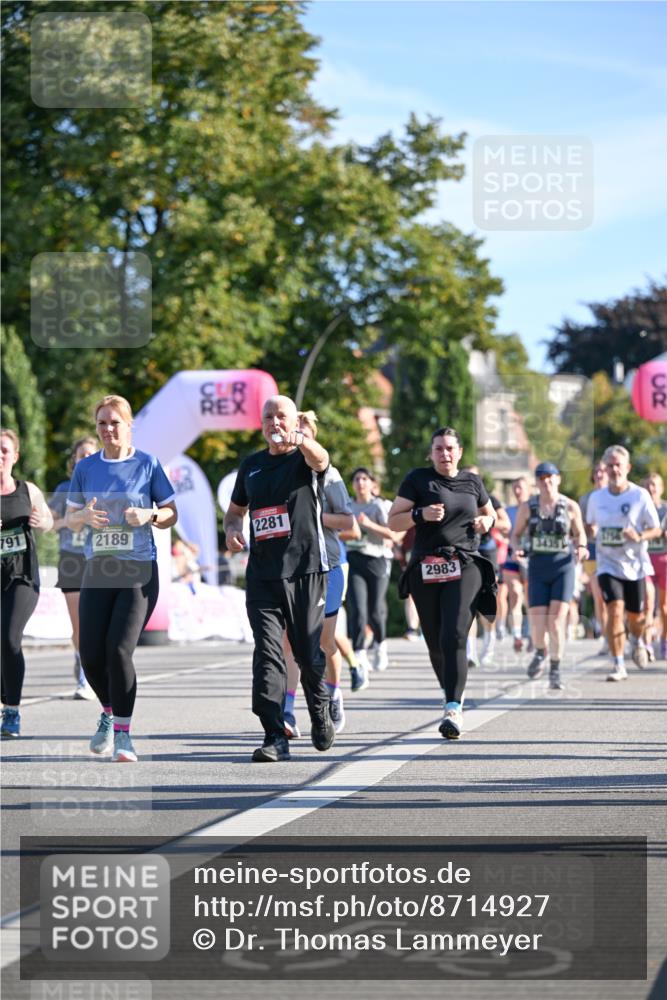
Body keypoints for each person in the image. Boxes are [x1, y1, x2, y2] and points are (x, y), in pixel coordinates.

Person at [66, 395, 177, 762]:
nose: (108, 429)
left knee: (118, 650)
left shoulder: (147, 464)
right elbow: (71, 518)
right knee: (91, 654)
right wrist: (86, 516)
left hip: (138, 570)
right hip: (98, 570)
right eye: (101, 423)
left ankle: (124, 735)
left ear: (129, 426)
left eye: (115, 422)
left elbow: (170, 512)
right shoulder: (86, 468)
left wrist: (149, 515)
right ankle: (108, 711)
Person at [223, 394, 334, 762]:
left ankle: (319, 709)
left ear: (294, 421)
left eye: (281, 416)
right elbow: (235, 510)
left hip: (306, 569)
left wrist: (300, 439)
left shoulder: (305, 459)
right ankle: (274, 734)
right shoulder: (251, 466)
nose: (275, 422)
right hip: (263, 575)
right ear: (261, 423)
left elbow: (323, 459)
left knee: (305, 650)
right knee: (268, 653)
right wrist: (232, 529)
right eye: (268, 416)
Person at [387, 427, 497, 740]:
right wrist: (420, 514)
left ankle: (453, 708)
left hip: (465, 563)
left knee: (455, 632)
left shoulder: (472, 482)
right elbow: (393, 521)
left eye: (450, 448)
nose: (445, 454)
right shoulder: (418, 479)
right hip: (426, 566)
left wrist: (487, 521)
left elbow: (494, 518)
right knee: (435, 641)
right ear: (431, 453)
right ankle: (450, 688)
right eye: (439, 449)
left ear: (460, 452)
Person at [282, 410, 359, 737]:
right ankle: (287, 710)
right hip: (290, 567)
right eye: (293, 430)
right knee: (288, 642)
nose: (298, 436)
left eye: (304, 432)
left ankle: (333, 692)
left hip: (327, 565)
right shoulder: (279, 470)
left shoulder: (328, 473)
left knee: (326, 643)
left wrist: (310, 516)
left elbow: (349, 523)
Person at [585, 446, 661, 681]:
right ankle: (618, 664)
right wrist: (591, 531)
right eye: (610, 465)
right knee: (614, 610)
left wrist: (638, 537)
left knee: (635, 617)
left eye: (618, 465)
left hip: (635, 565)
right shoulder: (596, 498)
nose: (614, 469)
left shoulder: (639, 495)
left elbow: (656, 528)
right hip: (608, 564)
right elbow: (589, 528)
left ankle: (638, 640)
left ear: (627, 468)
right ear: (605, 469)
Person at [511, 462, 588, 690]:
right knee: (537, 625)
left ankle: (555, 668)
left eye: (550, 477)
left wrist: (582, 546)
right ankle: (540, 651)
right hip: (537, 567)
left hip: (562, 567)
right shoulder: (528, 507)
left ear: (558, 478)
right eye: (541, 478)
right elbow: (515, 535)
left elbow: (580, 533)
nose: (546, 482)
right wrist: (516, 548)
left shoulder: (570, 506)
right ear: (536, 481)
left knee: (555, 622)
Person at [1, 428, 54, 738]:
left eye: (4, 450)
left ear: (15, 456)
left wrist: (40, 520)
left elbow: (47, 521)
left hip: (22, 577)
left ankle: (12, 710)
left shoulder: (27, 490)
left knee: (9, 639)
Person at [49, 436, 98, 699]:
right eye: (82, 455)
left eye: (91, 455)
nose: (86, 459)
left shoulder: (105, 488)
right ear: (74, 461)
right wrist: (74, 519)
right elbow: (49, 524)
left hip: (101, 559)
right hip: (72, 558)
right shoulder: (63, 489)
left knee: (96, 623)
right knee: (79, 624)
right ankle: (84, 671)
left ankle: (96, 667)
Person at [345, 467, 397, 688]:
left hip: (377, 560)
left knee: (375, 608)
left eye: (364, 478)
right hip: (355, 558)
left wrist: (368, 524)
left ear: (371, 482)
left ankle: (380, 645)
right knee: (357, 607)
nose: (360, 482)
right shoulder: (348, 505)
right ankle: (359, 653)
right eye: (356, 479)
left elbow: (391, 533)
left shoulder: (377, 505)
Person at [579, 461, 610, 653]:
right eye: (596, 471)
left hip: (614, 553)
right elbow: (579, 526)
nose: (599, 474)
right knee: (599, 598)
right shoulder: (586, 499)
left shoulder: (617, 495)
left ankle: (620, 632)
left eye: (602, 470)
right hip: (592, 552)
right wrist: (588, 527)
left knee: (615, 597)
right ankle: (606, 638)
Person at [499, 476, 532, 652]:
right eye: (515, 488)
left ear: (528, 489)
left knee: (530, 599)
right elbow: (504, 533)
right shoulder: (508, 511)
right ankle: (517, 635)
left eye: (520, 487)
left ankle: (533, 633)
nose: (517, 491)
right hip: (512, 558)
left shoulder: (535, 509)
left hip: (531, 558)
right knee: (515, 594)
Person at [643, 473, 667, 659]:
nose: (652, 488)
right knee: (647, 604)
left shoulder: (666, 509)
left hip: (664, 561)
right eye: (649, 485)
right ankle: (647, 642)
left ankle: (664, 639)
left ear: (661, 488)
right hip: (645, 561)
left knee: (664, 607)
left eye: (655, 485)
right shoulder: (640, 508)